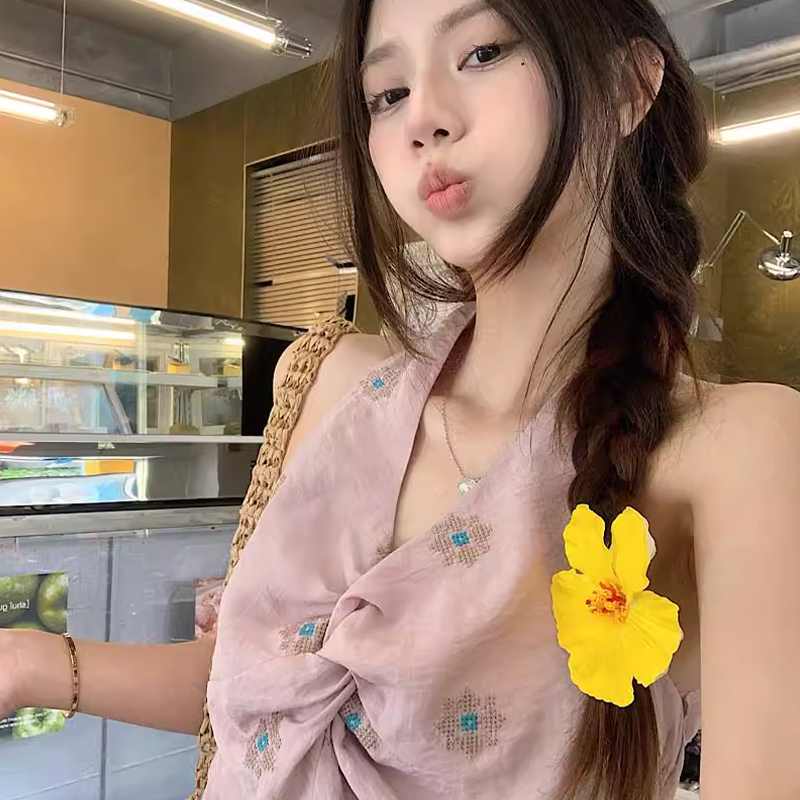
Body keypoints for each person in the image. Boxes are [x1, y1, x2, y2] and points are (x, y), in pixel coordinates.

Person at [2, 0, 799, 798]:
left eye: (483, 52)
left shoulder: (738, 452)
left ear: (628, 87)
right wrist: (30, 664)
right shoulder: (326, 381)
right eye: (387, 95)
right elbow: (272, 699)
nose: (423, 120)